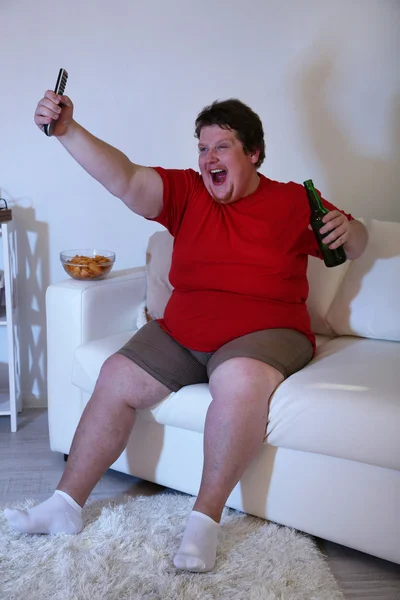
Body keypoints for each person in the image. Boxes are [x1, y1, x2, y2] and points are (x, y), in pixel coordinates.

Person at [5, 92, 368, 572]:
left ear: (253, 153)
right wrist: (68, 130)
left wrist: (351, 229)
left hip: (267, 330)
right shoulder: (188, 192)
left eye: (222, 147)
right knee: (115, 373)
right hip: (183, 330)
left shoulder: (293, 200)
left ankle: (204, 521)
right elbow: (125, 177)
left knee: (238, 381)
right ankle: (65, 506)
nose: (208, 158)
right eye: (202, 148)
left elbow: (356, 241)